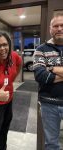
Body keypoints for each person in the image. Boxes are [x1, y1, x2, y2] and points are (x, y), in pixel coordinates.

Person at [33, 12, 63, 150]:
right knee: (51, 144)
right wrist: (48, 71)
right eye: (55, 26)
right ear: (50, 29)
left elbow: (47, 72)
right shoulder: (41, 49)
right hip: (48, 104)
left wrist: (52, 68)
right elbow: (40, 76)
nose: (59, 29)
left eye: (62, 25)